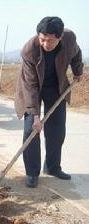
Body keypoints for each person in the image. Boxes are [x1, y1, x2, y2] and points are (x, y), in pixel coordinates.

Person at [14, 16, 83, 188]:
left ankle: (52, 167)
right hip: (32, 88)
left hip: (56, 86)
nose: (45, 44)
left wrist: (78, 71)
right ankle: (32, 173)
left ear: (59, 37)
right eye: (42, 39)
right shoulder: (29, 50)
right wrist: (35, 114)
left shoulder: (69, 39)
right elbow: (30, 86)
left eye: (50, 41)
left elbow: (76, 54)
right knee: (31, 129)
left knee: (57, 130)